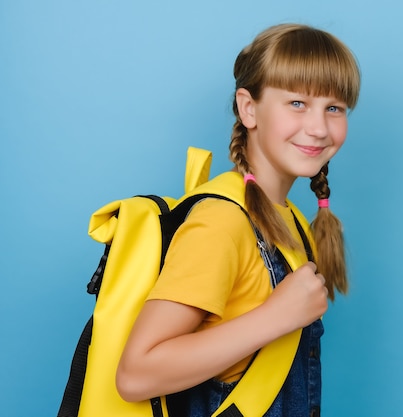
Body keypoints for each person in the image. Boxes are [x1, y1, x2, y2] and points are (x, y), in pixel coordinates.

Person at [116, 23, 360, 416]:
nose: (318, 128)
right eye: (297, 103)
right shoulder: (222, 223)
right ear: (249, 108)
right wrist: (275, 317)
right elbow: (135, 374)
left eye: (334, 108)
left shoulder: (292, 220)